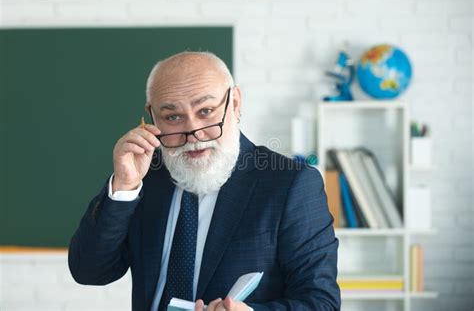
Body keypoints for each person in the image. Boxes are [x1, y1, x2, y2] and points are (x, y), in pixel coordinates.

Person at [68, 51, 341, 311]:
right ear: (153, 116)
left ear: (234, 104)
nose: (192, 133)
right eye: (173, 117)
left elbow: (321, 302)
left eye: (206, 111)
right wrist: (124, 188)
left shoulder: (290, 184)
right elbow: (90, 271)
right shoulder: (144, 176)